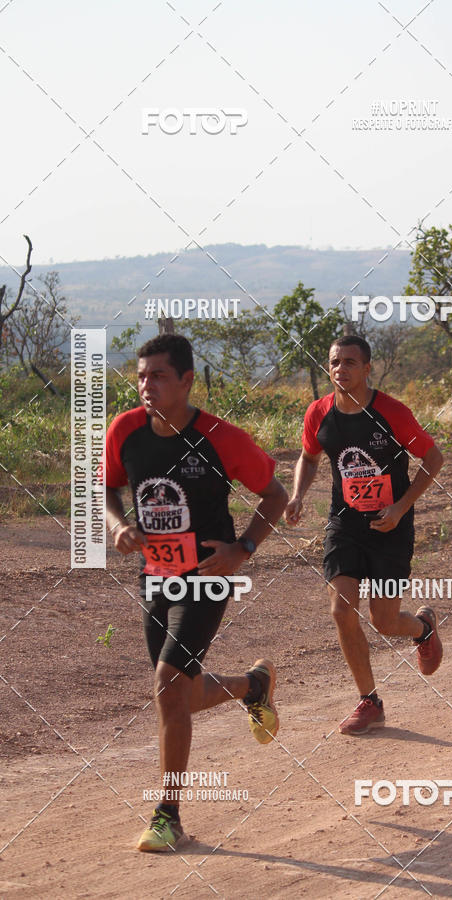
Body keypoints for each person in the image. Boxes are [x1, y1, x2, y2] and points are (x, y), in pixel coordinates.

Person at [104, 334, 288, 851]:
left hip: (207, 578)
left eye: (158, 376)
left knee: (166, 682)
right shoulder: (125, 430)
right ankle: (253, 686)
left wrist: (243, 548)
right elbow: (109, 486)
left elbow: (273, 493)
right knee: (178, 692)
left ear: (186, 380)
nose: (147, 386)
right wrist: (118, 525)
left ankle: (169, 816)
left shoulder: (221, 438)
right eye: (141, 376)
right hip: (155, 578)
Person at [285, 335, 444, 736]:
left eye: (350, 363)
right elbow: (308, 455)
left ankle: (422, 628)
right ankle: (369, 701)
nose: (341, 370)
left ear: (367, 368)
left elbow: (433, 457)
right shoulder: (319, 413)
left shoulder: (391, 413)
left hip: (390, 528)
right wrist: (298, 494)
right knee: (341, 610)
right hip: (345, 525)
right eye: (335, 362)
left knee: (385, 621)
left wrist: (401, 507)